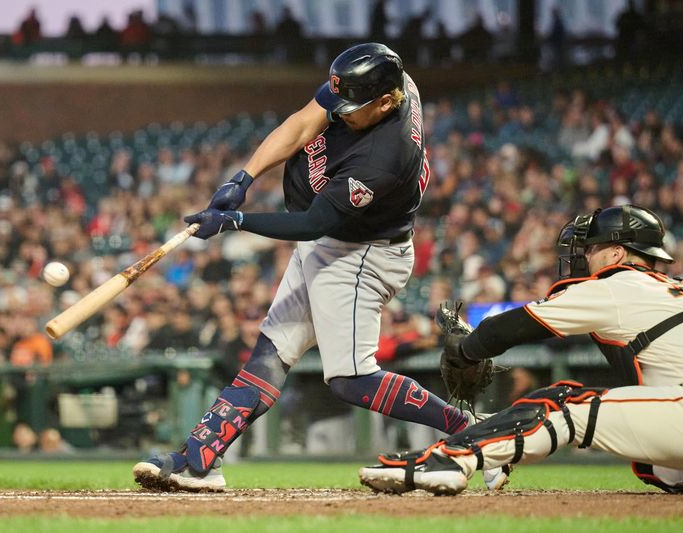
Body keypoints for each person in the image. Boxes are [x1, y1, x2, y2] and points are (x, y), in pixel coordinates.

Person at [133, 43, 506, 492]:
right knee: (270, 353)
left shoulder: (385, 157)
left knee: (352, 380)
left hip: (361, 254)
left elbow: (313, 224)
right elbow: (303, 122)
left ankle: (478, 432)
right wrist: (243, 178)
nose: (341, 113)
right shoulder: (390, 83)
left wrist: (236, 221)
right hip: (336, 242)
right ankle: (199, 460)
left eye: (353, 108)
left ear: (386, 103)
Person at [360, 205, 683, 495]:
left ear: (616, 253)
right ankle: (494, 444)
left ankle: (447, 460)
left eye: (592, 248)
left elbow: (511, 326)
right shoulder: (679, 288)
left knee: (563, 404)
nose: (584, 256)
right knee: (671, 470)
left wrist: (463, 351)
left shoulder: (618, 285)